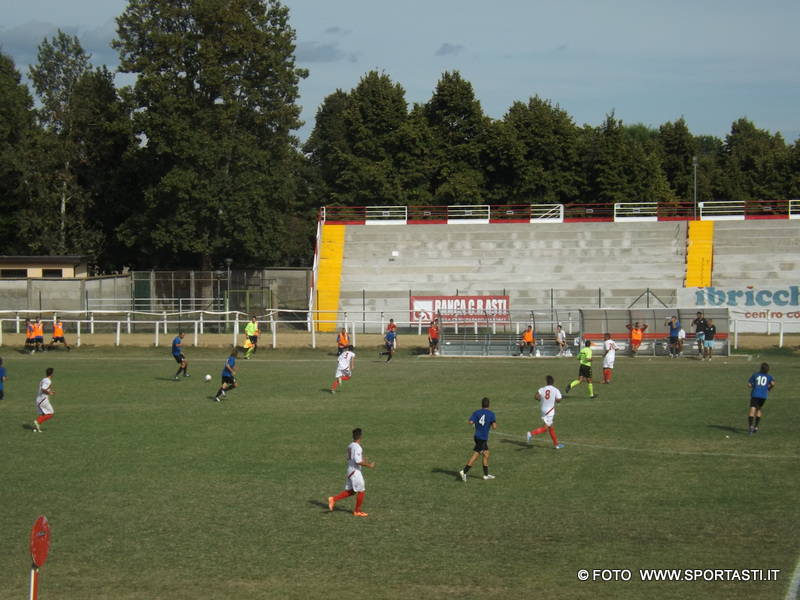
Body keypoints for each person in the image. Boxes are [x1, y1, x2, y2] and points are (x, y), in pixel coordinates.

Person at [327, 428, 375, 517]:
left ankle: (333, 499)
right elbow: (357, 461)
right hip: (355, 472)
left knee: (352, 491)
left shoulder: (350, 445)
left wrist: (362, 459)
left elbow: (351, 458)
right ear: (360, 437)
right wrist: (369, 465)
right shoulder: (357, 447)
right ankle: (357, 511)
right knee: (361, 490)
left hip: (350, 470)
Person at [459, 397, 497, 481]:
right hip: (482, 438)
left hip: (477, 436)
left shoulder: (476, 412)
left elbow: (470, 422)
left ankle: (486, 475)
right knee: (476, 455)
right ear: (489, 405)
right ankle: (464, 471)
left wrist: (476, 423)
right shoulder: (491, 414)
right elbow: (494, 427)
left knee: (486, 454)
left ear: (482, 404)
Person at [526, 375, 565, 449]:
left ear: (547, 382)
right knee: (545, 428)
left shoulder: (542, 389)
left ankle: (556, 445)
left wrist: (542, 399)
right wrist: (555, 400)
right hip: (550, 411)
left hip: (543, 410)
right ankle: (531, 434)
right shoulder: (555, 390)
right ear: (553, 382)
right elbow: (559, 399)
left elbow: (536, 396)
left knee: (551, 427)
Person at [747, 362, 775, 435]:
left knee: (752, 409)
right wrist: (769, 388)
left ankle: (750, 426)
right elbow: (773, 384)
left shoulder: (755, 375)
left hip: (755, 394)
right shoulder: (769, 376)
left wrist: (754, 386)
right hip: (763, 396)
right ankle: (756, 427)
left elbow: (749, 384)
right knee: (758, 409)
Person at [32, 367, 55, 432]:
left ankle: (36, 427)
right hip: (43, 400)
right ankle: (37, 421)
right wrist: (49, 393)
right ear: (52, 374)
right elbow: (43, 389)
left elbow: (44, 388)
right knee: (51, 413)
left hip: (39, 399)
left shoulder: (44, 379)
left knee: (43, 414)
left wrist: (50, 391)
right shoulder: (48, 381)